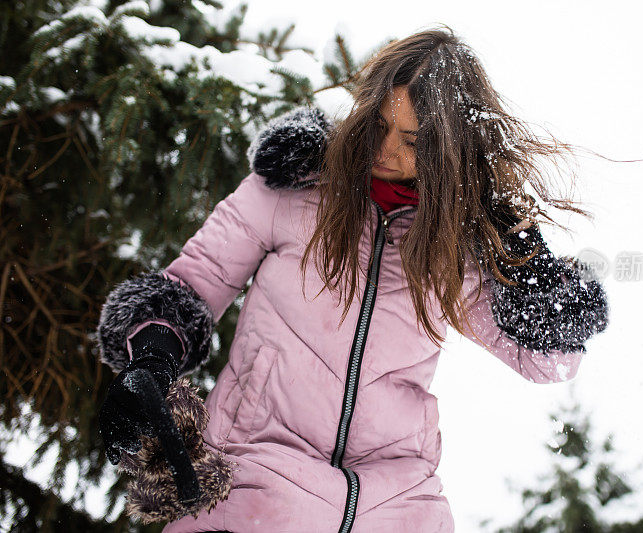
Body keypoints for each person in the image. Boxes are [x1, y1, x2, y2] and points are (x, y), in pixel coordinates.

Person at [95, 26, 609, 533]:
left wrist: (524, 257)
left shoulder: (452, 246)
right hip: (251, 485)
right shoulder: (291, 188)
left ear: (448, 149)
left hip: (396, 506)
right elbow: (193, 283)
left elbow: (550, 362)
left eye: (412, 141)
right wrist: (154, 359)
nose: (386, 150)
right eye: (378, 126)